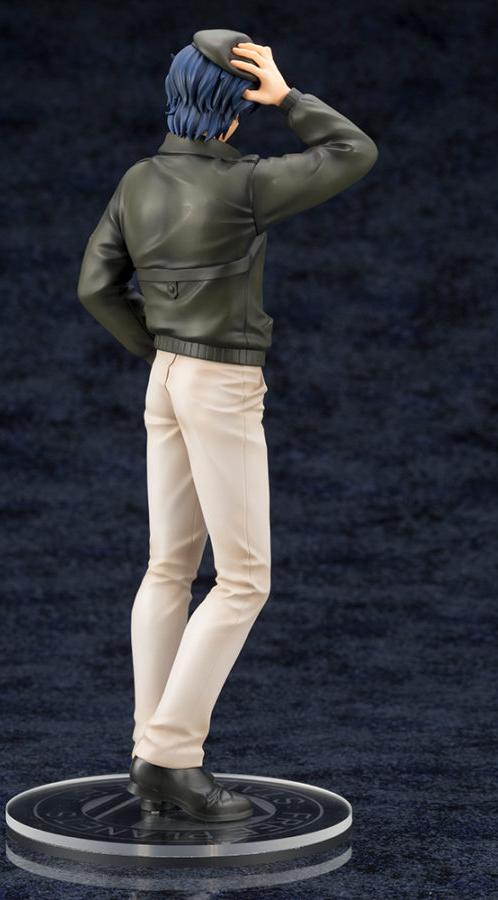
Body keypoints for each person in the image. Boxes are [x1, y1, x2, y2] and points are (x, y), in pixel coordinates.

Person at [77, 29, 378, 822]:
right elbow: (353, 152)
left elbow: (96, 287)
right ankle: (170, 755)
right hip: (220, 383)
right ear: (235, 107)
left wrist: (158, 346)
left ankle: (149, 748)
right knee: (244, 579)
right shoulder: (245, 183)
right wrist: (290, 97)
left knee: (167, 570)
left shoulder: (138, 180)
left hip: (165, 379)